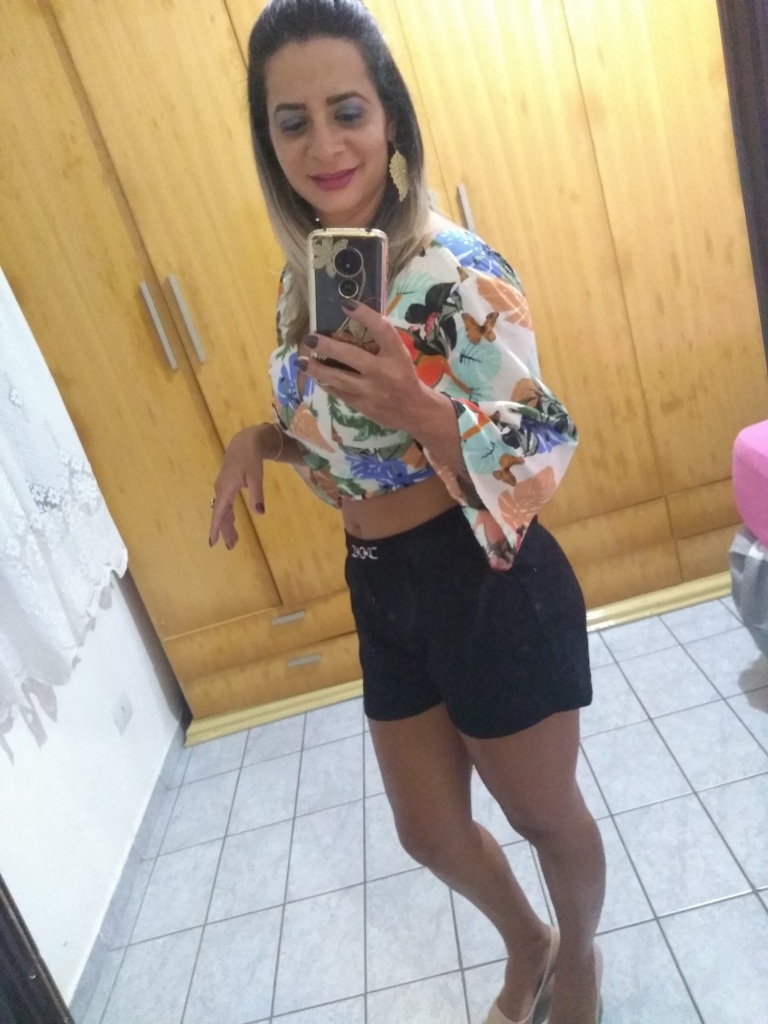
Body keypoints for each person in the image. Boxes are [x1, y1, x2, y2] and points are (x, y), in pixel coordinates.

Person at [209, 2, 606, 1021]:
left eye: (346, 110)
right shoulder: (312, 280)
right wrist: (262, 440)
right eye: (292, 122)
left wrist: (427, 411)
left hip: (482, 574)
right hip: (382, 585)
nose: (323, 145)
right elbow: (342, 441)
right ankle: (529, 940)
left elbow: (541, 438)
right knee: (427, 831)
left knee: (544, 814)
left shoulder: (454, 268)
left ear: (389, 116)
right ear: (269, 141)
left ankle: (580, 957)